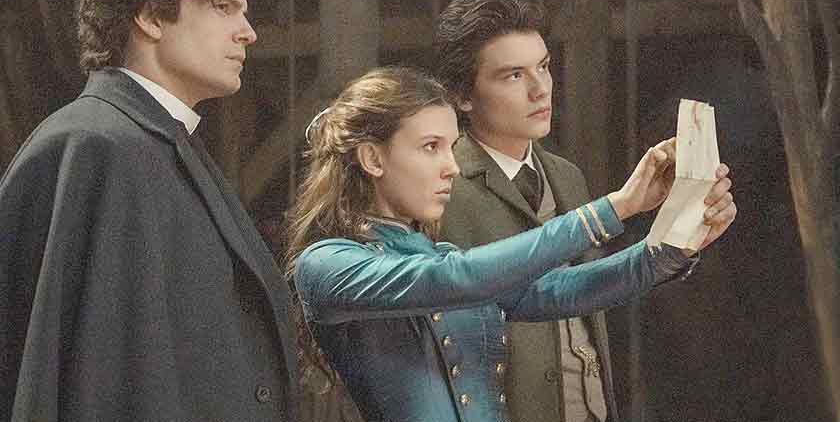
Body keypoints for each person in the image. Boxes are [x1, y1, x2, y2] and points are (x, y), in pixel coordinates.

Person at [286, 66, 736, 422]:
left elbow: (559, 291)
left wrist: (671, 248)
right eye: (430, 147)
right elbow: (456, 278)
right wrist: (614, 208)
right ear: (372, 158)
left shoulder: (440, 256)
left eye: (452, 147)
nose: (451, 167)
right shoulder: (326, 264)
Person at [0, 0, 296, 421]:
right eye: (224, 7)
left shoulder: (156, 144)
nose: (248, 32)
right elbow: (89, 377)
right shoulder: (95, 147)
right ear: (151, 16)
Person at [434, 0, 732, 422]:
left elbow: (591, 289)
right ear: (463, 95)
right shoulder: (442, 187)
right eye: (513, 75)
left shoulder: (565, 175)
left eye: (543, 67)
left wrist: (682, 235)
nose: (540, 89)